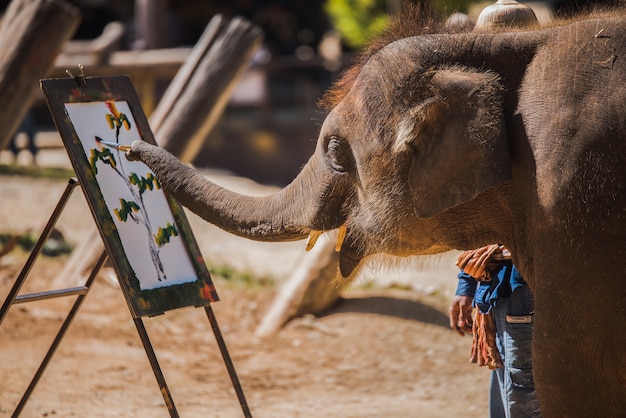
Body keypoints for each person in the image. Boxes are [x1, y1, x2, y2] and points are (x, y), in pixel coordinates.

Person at [449, 244, 541, 418]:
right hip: (498, 290)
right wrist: (467, 281)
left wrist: (466, 281)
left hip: (522, 286)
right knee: (508, 380)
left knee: (522, 387)